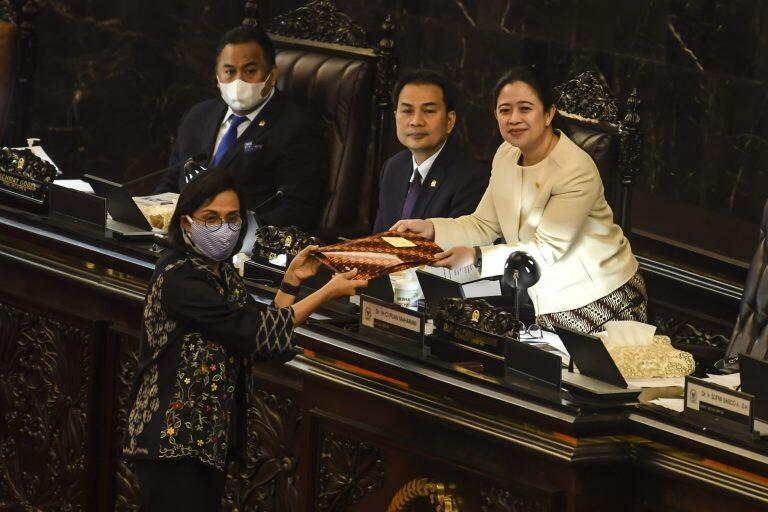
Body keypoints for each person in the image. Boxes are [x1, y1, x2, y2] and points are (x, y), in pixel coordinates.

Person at [124, 169, 366, 510]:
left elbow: (262, 338)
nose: (224, 228)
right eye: (211, 218)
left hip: (209, 440)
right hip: (170, 440)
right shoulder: (179, 277)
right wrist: (326, 293)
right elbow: (253, 331)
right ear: (185, 223)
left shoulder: (221, 273)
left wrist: (291, 281)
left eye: (232, 218)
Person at [393, 66, 647, 332]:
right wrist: (432, 229)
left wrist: (476, 257)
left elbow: (546, 249)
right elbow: (483, 224)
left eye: (525, 109)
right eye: (505, 110)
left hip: (598, 297)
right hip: (541, 294)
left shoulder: (575, 169)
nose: (514, 118)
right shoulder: (506, 153)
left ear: (549, 114)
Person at [155, 25, 328, 229]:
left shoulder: (297, 129)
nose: (239, 80)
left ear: (272, 75)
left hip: (241, 245)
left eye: (250, 71)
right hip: (180, 235)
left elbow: (297, 210)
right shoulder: (198, 115)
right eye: (229, 71)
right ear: (217, 77)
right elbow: (172, 180)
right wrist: (153, 216)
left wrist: (230, 230)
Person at [372, 69, 489, 233]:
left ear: (450, 121)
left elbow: (454, 251)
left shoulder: (471, 179)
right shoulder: (393, 167)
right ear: (395, 116)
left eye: (428, 111)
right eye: (407, 111)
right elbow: (378, 239)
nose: (416, 121)